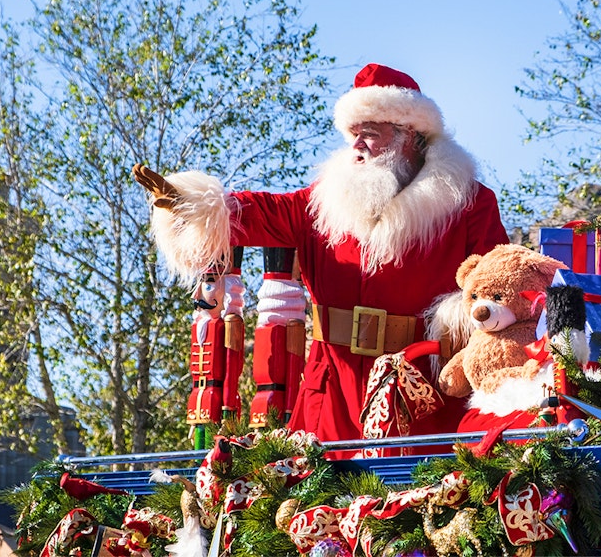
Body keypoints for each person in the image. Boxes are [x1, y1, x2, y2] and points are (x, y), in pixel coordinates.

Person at [134, 63, 509, 444]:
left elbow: (501, 290)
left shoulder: (469, 204)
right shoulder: (322, 201)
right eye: (354, 135)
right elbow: (258, 212)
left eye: (370, 134)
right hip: (330, 394)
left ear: (408, 135)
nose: (357, 146)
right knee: (317, 499)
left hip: (424, 394)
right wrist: (191, 203)